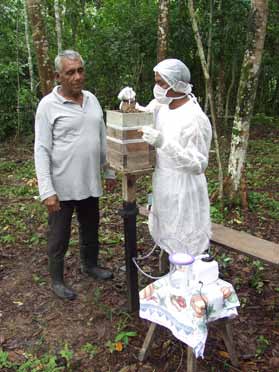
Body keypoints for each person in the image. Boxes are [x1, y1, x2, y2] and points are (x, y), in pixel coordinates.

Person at [34, 50, 116, 300]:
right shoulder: (48, 105)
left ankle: (90, 265)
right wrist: (47, 191)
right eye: (71, 72)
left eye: (80, 70)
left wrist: (108, 172)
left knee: (91, 227)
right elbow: (41, 149)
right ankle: (57, 280)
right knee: (59, 235)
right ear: (58, 76)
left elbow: (101, 138)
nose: (77, 76)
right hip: (62, 186)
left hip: (89, 181)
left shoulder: (91, 99)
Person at [141, 58, 212, 257]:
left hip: (184, 188)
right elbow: (143, 113)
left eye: (161, 82)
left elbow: (198, 164)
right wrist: (128, 103)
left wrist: (164, 143)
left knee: (186, 238)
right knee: (167, 233)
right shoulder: (162, 105)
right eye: (155, 81)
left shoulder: (194, 118)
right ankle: (171, 276)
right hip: (163, 182)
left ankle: (189, 280)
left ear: (177, 84)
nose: (157, 88)